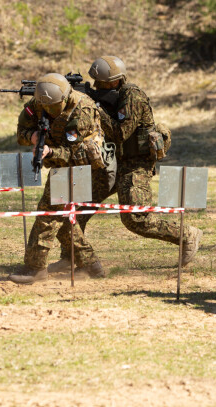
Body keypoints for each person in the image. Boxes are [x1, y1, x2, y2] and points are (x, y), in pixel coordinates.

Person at [47, 56, 202, 273]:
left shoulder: (133, 96)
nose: (97, 86)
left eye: (100, 82)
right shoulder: (105, 97)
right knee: (76, 207)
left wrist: (95, 108)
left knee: (135, 218)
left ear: (114, 82)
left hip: (135, 163)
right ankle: (71, 256)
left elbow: (120, 133)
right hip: (109, 161)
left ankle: (187, 235)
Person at [9, 73, 107, 284]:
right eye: (46, 106)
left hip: (81, 167)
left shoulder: (82, 112)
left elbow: (80, 154)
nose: (49, 110)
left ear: (65, 98)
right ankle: (92, 265)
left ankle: (35, 268)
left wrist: (51, 153)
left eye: (54, 106)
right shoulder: (39, 101)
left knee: (48, 215)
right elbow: (21, 131)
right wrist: (33, 137)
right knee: (63, 222)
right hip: (60, 166)